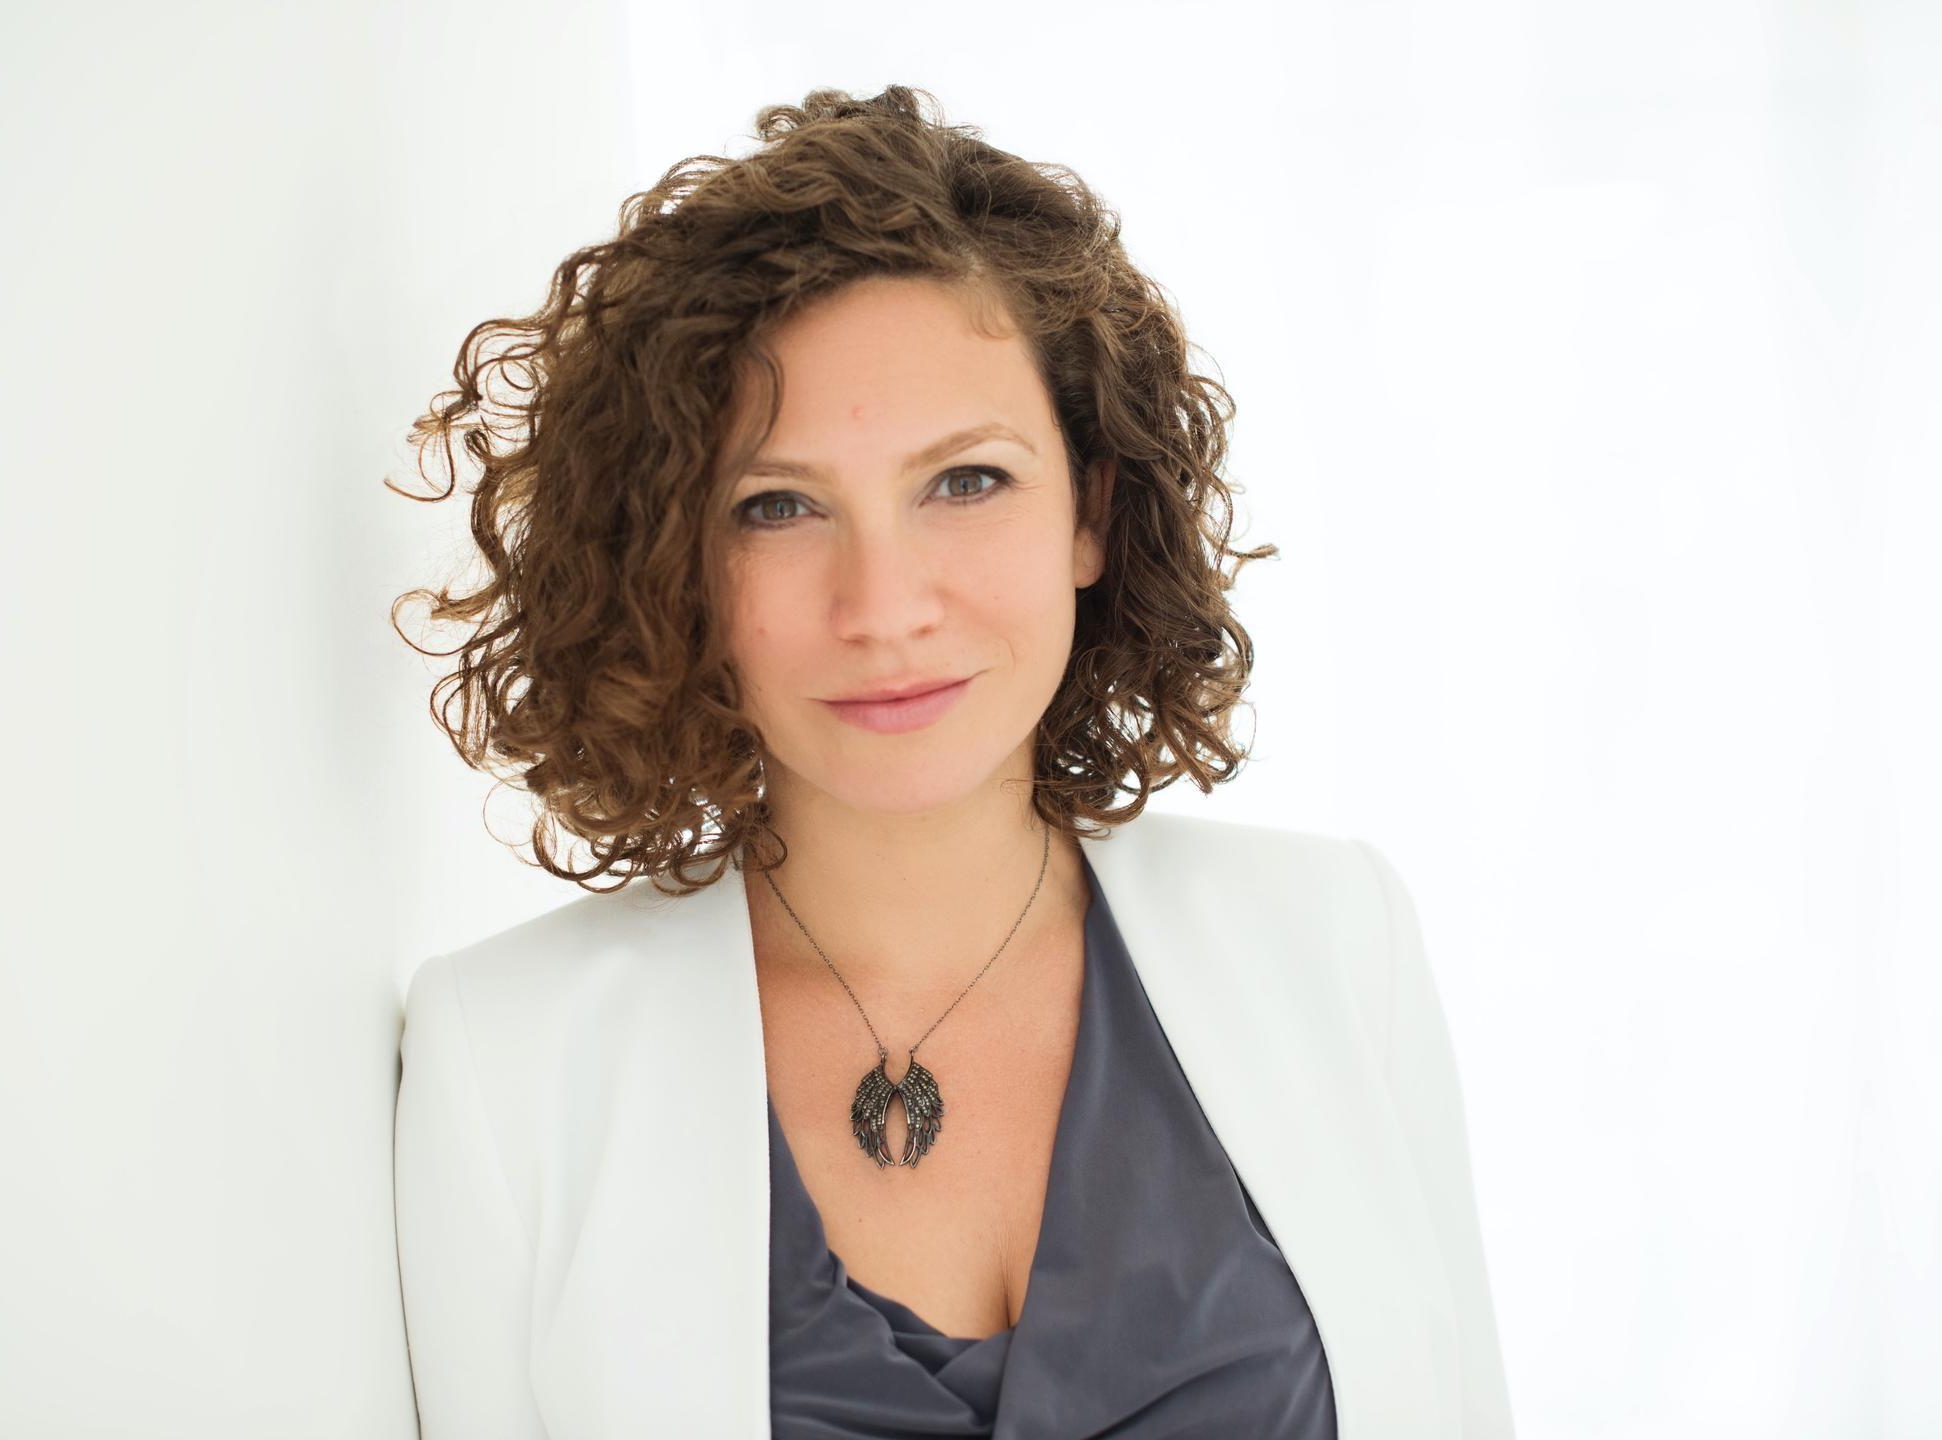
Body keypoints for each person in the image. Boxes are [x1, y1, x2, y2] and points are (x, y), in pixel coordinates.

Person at [388, 84, 1514, 1439]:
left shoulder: (1335, 941)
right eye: (777, 506)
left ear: (1090, 513)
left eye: (966, 481)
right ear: (672, 564)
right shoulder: (503, 1059)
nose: (884, 607)